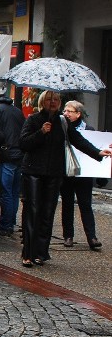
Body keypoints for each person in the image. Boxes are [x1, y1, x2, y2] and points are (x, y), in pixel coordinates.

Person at [20, 92, 110, 266]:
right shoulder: (33, 120)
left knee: (47, 213)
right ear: (42, 102)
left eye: (56, 100)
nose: (53, 102)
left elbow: (78, 140)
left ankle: (41, 253)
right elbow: (23, 143)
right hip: (33, 172)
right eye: (49, 99)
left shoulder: (63, 121)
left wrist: (98, 153)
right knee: (33, 212)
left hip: (54, 173)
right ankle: (28, 253)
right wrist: (41, 132)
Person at [60, 101, 103, 250]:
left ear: (78, 114)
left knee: (85, 205)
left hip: (84, 174)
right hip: (67, 171)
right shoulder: (62, 128)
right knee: (67, 204)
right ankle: (68, 236)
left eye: (69, 111)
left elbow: (92, 148)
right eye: (64, 110)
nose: (66, 113)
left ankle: (91, 237)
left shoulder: (88, 130)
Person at [0, 90, 26, 239]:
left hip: (6, 155)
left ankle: (5, 225)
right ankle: (10, 222)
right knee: (14, 192)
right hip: (18, 155)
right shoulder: (17, 110)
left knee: (5, 192)